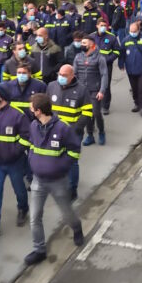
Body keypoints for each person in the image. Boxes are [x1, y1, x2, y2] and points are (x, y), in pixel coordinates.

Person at [24, 93, 84, 266]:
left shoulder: (63, 128)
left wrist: (61, 167)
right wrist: (33, 162)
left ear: (38, 111)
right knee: (35, 217)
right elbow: (31, 146)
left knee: (66, 212)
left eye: (31, 108)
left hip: (58, 181)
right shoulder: (34, 126)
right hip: (38, 181)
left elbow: (74, 151)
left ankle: (77, 228)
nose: (29, 111)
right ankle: (39, 250)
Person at [0, 83, 30, 237]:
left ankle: (23, 208)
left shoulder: (18, 115)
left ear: (2, 96)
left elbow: (26, 138)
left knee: (19, 189)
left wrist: (15, 151)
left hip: (14, 162)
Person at [46, 65, 91, 200]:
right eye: (60, 74)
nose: (61, 77)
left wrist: (76, 128)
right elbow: (46, 108)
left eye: (64, 75)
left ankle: (72, 189)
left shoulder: (82, 90)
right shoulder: (51, 86)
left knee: (72, 162)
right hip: (54, 132)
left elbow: (87, 113)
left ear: (72, 76)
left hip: (72, 133)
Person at [73, 37, 108, 147]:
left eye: (84, 43)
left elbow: (104, 75)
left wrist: (102, 91)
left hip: (95, 90)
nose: (81, 44)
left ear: (92, 45)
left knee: (96, 113)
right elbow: (74, 73)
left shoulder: (100, 58)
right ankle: (90, 135)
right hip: (82, 91)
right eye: (81, 42)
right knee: (87, 114)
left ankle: (101, 132)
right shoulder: (78, 57)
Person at [118, 22, 142, 117]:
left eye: (134, 31)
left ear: (139, 30)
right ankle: (137, 103)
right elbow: (122, 53)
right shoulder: (126, 40)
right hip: (131, 70)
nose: (132, 33)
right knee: (134, 88)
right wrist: (121, 64)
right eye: (131, 31)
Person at [90, 18, 119, 115]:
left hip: (107, 65)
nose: (103, 27)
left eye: (104, 26)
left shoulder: (112, 37)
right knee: (94, 85)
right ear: (97, 26)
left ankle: (105, 106)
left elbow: (116, 51)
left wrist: (108, 59)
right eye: (101, 25)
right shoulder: (91, 37)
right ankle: (95, 102)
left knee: (105, 86)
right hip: (93, 66)